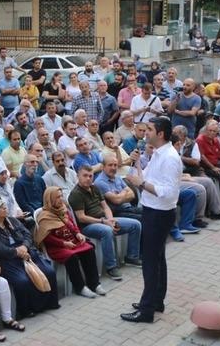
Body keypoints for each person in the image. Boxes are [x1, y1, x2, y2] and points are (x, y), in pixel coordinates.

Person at [120, 117, 182, 323]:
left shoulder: (170, 157)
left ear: (161, 133)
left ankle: (146, 310)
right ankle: (156, 301)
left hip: (159, 214)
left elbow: (168, 192)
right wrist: (136, 163)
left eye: (149, 129)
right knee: (157, 259)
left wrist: (142, 183)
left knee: (150, 261)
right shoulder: (157, 153)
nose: (145, 132)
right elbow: (143, 176)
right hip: (151, 210)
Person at [0, 198, 59, 319]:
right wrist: (16, 252)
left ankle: (50, 303)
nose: (5, 208)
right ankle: (26, 310)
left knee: (49, 271)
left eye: (5, 206)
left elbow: (27, 234)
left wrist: (25, 246)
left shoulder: (12, 221)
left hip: (25, 252)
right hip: (8, 260)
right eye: (2, 207)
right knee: (22, 281)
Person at [69, 165, 142, 280]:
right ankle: (111, 267)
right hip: (88, 226)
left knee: (135, 224)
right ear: (78, 176)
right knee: (107, 231)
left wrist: (111, 220)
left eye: (90, 176)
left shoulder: (95, 188)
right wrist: (104, 221)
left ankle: (131, 257)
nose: (88, 178)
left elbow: (105, 206)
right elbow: (81, 217)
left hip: (104, 220)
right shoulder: (75, 194)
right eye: (85, 176)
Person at [35, 187, 104, 298]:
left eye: (61, 196)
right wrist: (63, 244)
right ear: (50, 199)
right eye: (57, 197)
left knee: (89, 249)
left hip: (71, 240)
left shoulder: (63, 209)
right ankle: (80, 287)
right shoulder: (44, 216)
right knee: (71, 257)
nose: (61, 199)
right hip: (56, 247)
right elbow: (46, 238)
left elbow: (72, 225)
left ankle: (94, 284)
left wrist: (78, 234)